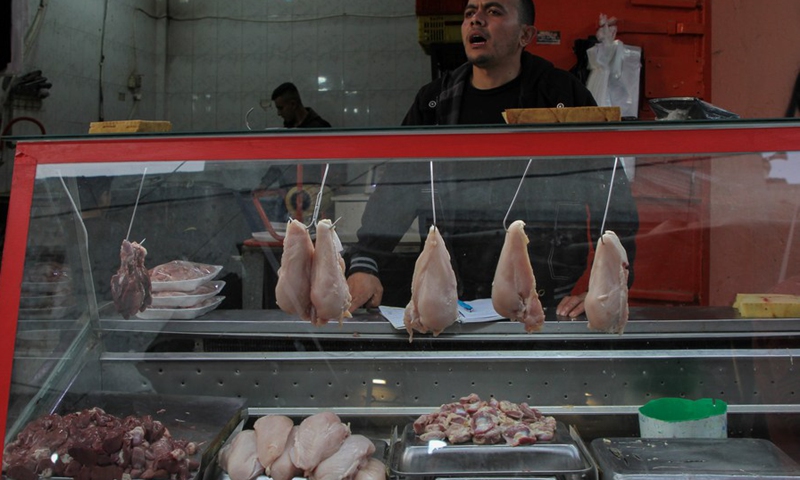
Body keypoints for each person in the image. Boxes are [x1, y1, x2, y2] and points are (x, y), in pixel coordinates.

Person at [345, 0, 639, 318]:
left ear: (526, 35)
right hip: (451, 296)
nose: (477, 20)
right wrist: (365, 262)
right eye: (470, 13)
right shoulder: (435, 102)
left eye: (494, 12)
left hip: (543, 299)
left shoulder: (561, 95)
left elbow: (609, 195)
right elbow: (398, 187)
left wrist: (608, 284)